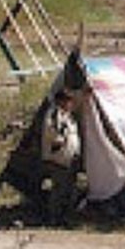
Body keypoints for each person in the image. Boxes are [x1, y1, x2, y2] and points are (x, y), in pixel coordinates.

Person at [40, 89, 80, 225]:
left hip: (68, 157)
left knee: (68, 188)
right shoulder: (55, 115)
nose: (70, 104)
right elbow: (52, 132)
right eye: (68, 101)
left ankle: (64, 216)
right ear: (61, 101)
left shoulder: (68, 116)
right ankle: (54, 217)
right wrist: (60, 141)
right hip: (58, 158)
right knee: (59, 189)